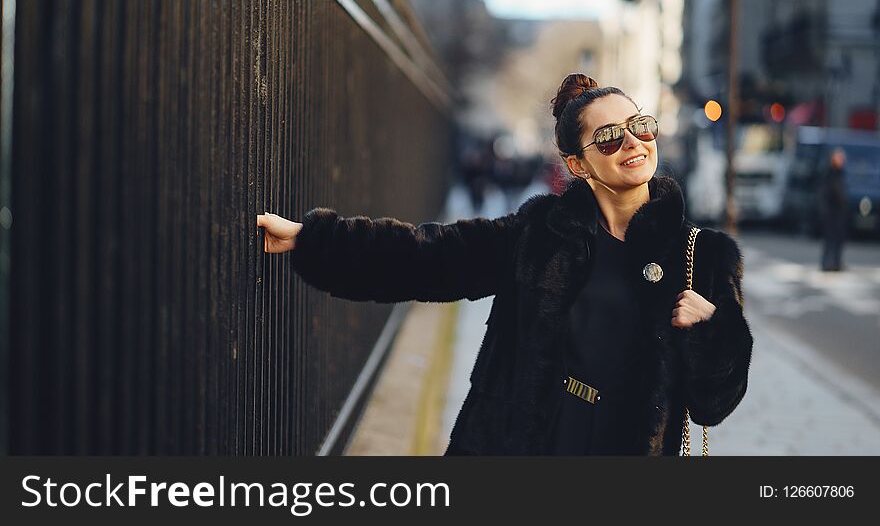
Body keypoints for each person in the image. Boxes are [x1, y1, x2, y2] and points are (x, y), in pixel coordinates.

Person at [256, 73, 754, 455]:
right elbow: (427, 256)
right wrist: (313, 240)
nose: (631, 143)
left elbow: (714, 404)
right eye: (608, 137)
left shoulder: (702, 256)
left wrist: (712, 331)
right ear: (578, 165)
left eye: (640, 126)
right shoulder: (538, 234)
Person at [820, 147, 849, 271]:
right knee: (830, 240)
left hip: (839, 212)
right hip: (831, 212)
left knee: (839, 239)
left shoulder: (840, 173)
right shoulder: (830, 173)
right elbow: (828, 192)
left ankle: (836, 262)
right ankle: (827, 263)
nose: (841, 160)